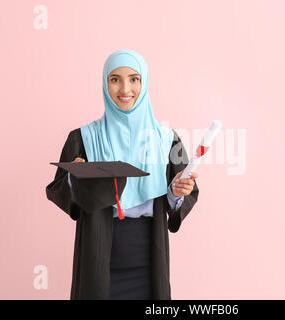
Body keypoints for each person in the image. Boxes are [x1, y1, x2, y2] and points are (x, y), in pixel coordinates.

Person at [46, 49, 199, 300]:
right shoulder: (82, 139)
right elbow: (61, 192)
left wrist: (176, 192)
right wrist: (76, 177)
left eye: (134, 79)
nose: (124, 88)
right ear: (105, 84)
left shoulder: (169, 140)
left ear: (145, 83)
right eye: (115, 79)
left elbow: (182, 198)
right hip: (98, 257)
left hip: (150, 260)